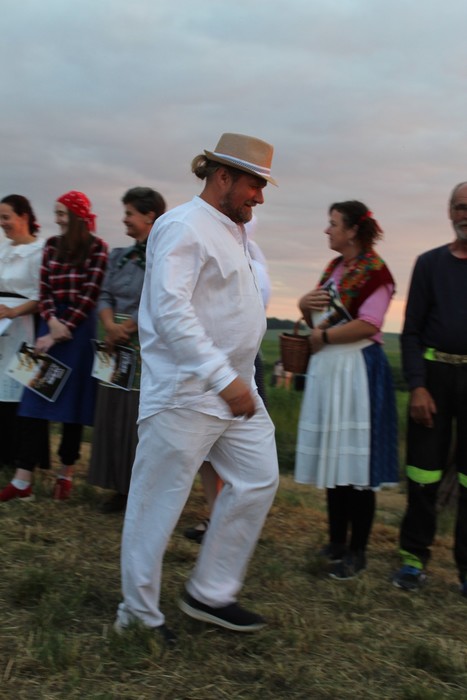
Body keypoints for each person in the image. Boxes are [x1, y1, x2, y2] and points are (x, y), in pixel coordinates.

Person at [115, 132, 279, 642]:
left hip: (237, 391)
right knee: (156, 504)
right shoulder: (183, 225)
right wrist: (222, 378)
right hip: (186, 393)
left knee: (258, 479)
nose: (260, 197)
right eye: (254, 185)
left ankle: (210, 592)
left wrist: (236, 381)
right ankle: (137, 617)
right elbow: (170, 311)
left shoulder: (236, 231)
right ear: (223, 176)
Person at [295, 200, 398, 580]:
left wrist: (322, 337)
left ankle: (358, 551)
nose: (327, 230)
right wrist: (303, 305)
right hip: (330, 368)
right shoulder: (334, 268)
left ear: (353, 230)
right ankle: (336, 541)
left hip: (357, 370)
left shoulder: (376, 273)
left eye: (333, 223)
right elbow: (318, 317)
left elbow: (369, 324)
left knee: (356, 463)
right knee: (334, 455)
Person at [0, 191, 108, 502]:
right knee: (32, 400)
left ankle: (66, 472)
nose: (57, 219)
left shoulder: (98, 248)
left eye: (62, 213)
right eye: (56, 213)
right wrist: (50, 321)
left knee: (72, 406)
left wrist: (64, 327)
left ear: (77, 215)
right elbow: (44, 288)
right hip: (49, 326)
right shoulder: (51, 246)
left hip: (80, 329)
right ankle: (23, 480)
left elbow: (90, 293)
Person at [393, 182, 467, 594]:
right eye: (460, 207)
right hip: (433, 379)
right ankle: (412, 560)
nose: (466, 214)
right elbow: (411, 333)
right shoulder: (429, 264)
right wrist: (418, 386)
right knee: (423, 474)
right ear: (450, 212)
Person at [183, 216, 271, 543]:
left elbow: (246, 316)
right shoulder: (207, 253)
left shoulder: (253, 267)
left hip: (237, 363)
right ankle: (215, 513)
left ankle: (233, 518)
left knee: (238, 445)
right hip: (207, 360)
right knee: (206, 449)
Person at [88, 187, 166, 513]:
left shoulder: (164, 258)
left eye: (129, 213)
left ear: (149, 216)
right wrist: (110, 326)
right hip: (113, 342)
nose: (124, 219)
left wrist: (128, 328)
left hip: (142, 342)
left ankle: (137, 490)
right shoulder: (119, 256)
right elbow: (104, 294)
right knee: (112, 412)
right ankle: (116, 486)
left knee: (134, 415)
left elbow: (158, 300)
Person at [0, 195, 49, 472]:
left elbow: (42, 296)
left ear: (24, 217)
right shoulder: (3, 250)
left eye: (6, 217)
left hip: (26, 326)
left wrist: (13, 311)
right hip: (2, 327)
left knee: (21, 388)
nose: (2, 223)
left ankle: (24, 457)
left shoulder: (39, 252)